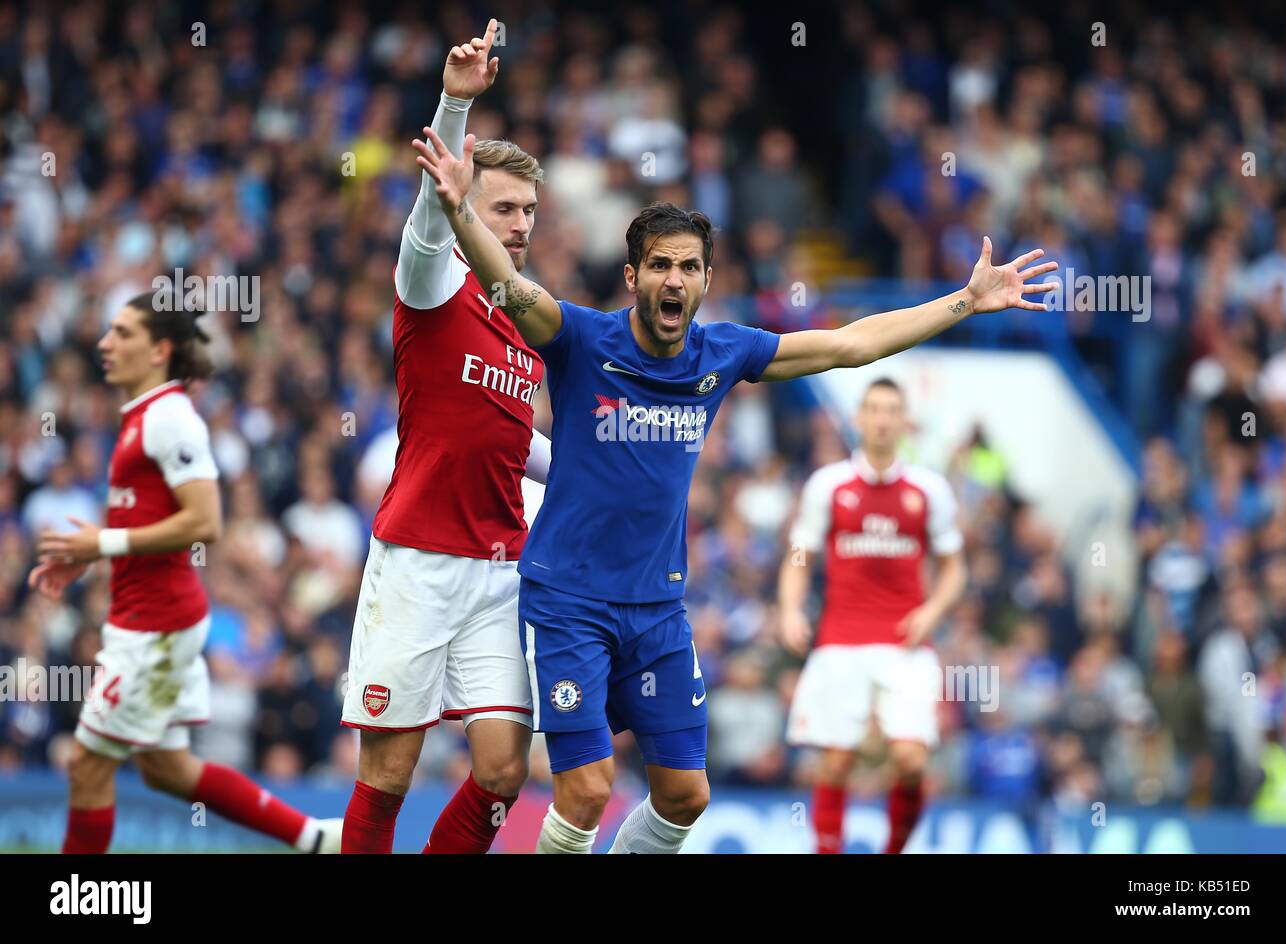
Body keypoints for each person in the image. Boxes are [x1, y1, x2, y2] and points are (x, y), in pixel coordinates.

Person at [414, 112, 1055, 853]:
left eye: (688, 267)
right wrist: (458, 208)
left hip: (657, 610)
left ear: (708, 280)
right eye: (659, 265)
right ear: (633, 276)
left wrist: (966, 302)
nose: (674, 279)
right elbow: (506, 283)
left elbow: (849, 345)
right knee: (587, 788)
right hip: (569, 602)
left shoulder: (724, 353)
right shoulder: (582, 340)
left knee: (686, 796)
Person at [338, 19, 553, 854]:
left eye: (530, 209)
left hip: (501, 569)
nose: (523, 223)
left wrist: (594, 472)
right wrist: (455, 106)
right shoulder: (431, 287)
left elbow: (517, 444)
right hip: (418, 562)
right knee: (386, 776)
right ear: (467, 200)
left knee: (503, 771)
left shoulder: (520, 319)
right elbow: (431, 227)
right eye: (505, 206)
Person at [31, 293, 342, 854]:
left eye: (122, 333)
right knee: (167, 770)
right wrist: (90, 553)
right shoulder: (142, 417)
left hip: (155, 628)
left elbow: (205, 521)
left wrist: (102, 540)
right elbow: (153, 519)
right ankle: (315, 838)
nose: (105, 343)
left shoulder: (170, 418)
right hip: (148, 620)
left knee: (85, 763)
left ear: (159, 349)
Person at [780, 377, 967, 853]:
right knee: (836, 762)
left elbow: (953, 569)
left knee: (909, 760)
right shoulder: (829, 485)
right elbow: (800, 554)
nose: (882, 419)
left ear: (905, 422)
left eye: (891, 410)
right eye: (873, 409)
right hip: (841, 641)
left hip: (905, 644)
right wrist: (789, 607)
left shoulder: (929, 490)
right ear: (858, 418)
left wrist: (934, 610)